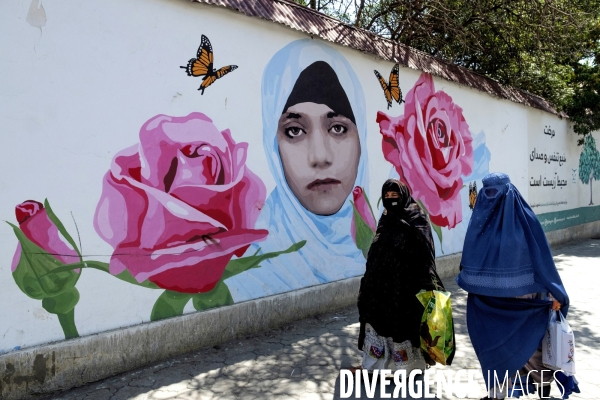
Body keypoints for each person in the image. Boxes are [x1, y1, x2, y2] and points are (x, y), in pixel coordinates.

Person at [226, 39, 369, 301]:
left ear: (362, 141)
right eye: (295, 131)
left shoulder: (383, 241)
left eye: (338, 128)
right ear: (273, 145)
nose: (320, 157)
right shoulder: (251, 265)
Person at [456, 172, 570, 400]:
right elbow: (468, 264)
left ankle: (543, 391)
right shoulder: (479, 224)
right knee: (496, 350)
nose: (492, 199)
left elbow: (542, 260)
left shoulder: (525, 221)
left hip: (526, 302)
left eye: (496, 193)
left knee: (532, 347)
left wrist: (554, 292)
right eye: (487, 194)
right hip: (489, 304)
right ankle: (497, 394)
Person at [354, 179, 445, 374]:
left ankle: (408, 369)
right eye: (386, 196)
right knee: (377, 324)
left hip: (406, 287)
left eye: (394, 195)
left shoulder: (416, 217)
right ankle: (373, 368)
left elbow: (425, 252)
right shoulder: (386, 217)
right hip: (381, 287)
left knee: (404, 326)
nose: (390, 199)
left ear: (403, 195)